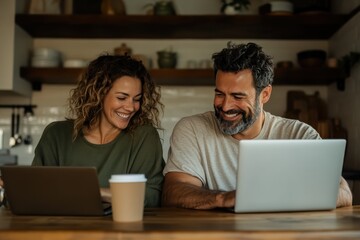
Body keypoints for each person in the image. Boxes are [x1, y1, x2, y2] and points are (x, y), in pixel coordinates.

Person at [162, 42, 353, 209]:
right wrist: (223, 198)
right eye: (220, 94)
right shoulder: (192, 129)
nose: (226, 106)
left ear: (265, 94)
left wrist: (265, 199)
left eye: (238, 96)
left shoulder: (298, 133)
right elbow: (173, 191)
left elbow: (343, 193)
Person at [32, 54, 165, 207]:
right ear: (98, 94)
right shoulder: (56, 135)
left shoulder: (143, 136)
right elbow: (36, 192)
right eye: (122, 98)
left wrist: (95, 192)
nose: (131, 107)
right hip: (62, 229)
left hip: (123, 229)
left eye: (137, 99)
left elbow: (152, 195)